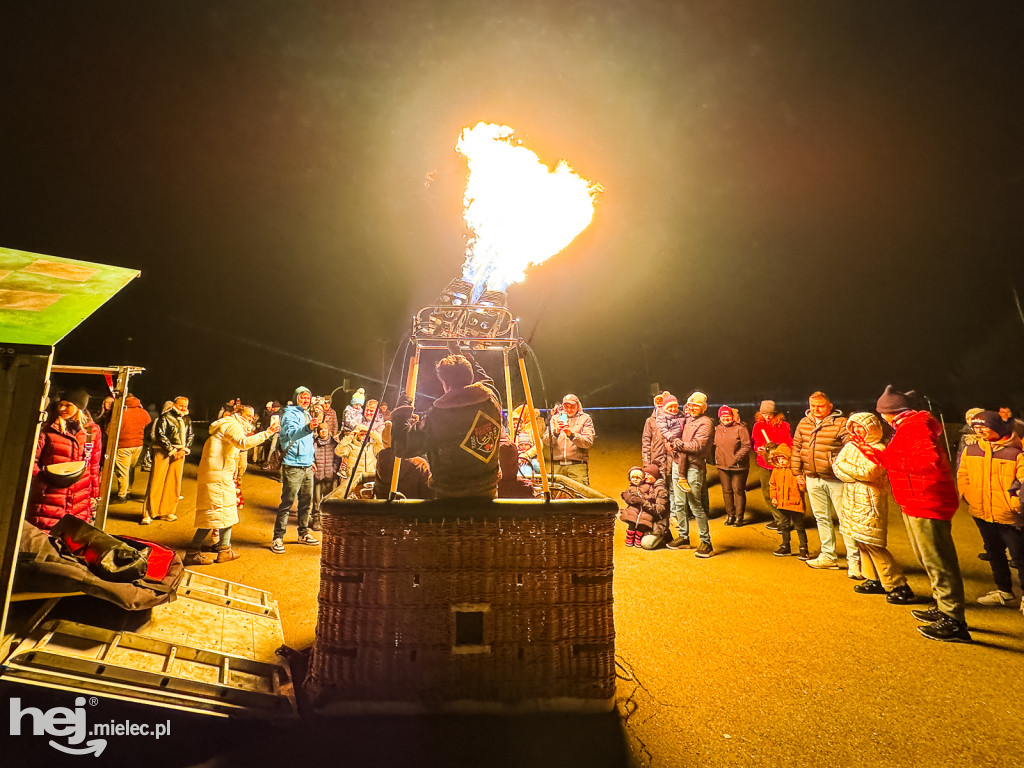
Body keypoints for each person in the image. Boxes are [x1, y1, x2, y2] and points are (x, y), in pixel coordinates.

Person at [859, 385, 969, 643]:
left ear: (889, 412)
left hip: (927, 501)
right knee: (927, 558)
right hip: (915, 500)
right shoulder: (906, 427)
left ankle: (954, 621)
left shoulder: (914, 427)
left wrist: (886, 459)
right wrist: (881, 456)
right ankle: (942, 607)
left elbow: (927, 461)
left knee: (938, 560)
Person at [390, 354, 503, 499]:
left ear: (445, 383)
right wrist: (462, 354)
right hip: (488, 493)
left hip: (450, 497)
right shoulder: (491, 400)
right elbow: (485, 382)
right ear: (470, 376)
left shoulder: (438, 416)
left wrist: (402, 413)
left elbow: (402, 447)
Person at [833, 412, 917, 601]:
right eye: (854, 427)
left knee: (874, 543)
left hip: (870, 500)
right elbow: (837, 466)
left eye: (860, 427)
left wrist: (849, 472)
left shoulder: (878, 448)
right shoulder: (851, 446)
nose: (856, 430)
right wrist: (851, 474)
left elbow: (870, 473)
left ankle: (897, 584)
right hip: (852, 498)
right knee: (860, 541)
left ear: (871, 428)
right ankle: (874, 577)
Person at [185, 405, 278, 565]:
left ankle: (224, 550)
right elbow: (243, 443)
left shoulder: (228, 425)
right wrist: (268, 432)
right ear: (239, 414)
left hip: (219, 475)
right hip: (218, 477)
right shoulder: (231, 425)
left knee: (225, 513)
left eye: (252, 416)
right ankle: (194, 552)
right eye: (248, 415)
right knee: (214, 515)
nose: (251, 419)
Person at [957, 410, 1024, 607]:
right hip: (982, 512)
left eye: (983, 427)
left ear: (997, 427)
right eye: (976, 427)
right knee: (994, 552)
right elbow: (963, 474)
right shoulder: (972, 450)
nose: (979, 431)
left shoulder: (1015, 453)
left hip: (1010, 516)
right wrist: (968, 494)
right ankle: (1004, 591)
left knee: (1020, 556)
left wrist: (1015, 504)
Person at [790, 391, 861, 576]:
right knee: (822, 518)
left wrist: (835, 462)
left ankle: (854, 562)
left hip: (835, 479)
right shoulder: (804, 423)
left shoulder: (840, 423)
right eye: (812, 406)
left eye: (820, 406)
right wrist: (797, 472)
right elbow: (797, 447)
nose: (816, 410)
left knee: (845, 520)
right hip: (812, 478)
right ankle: (828, 556)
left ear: (829, 406)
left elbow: (851, 448)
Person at [27, 388, 102, 531]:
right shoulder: (48, 428)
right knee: (45, 539)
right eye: (61, 404)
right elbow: (31, 462)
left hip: (79, 499)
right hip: (49, 498)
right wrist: (43, 482)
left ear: (79, 408)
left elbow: (94, 465)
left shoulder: (92, 431)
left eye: (68, 405)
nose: (62, 408)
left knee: (71, 540)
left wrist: (93, 495)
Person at [663, 391, 715, 558]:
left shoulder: (706, 423)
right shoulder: (686, 419)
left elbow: (696, 447)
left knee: (695, 505)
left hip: (693, 468)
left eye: (696, 406)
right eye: (690, 405)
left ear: (703, 408)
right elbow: (666, 416)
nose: (692, 408)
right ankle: (683, 537)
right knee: (679, 503)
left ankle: (706, 542)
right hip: (679, 465)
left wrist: (676, 444)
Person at [271, 386, 321, 553]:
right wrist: (308, 427)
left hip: (307, 465)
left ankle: (303, 533)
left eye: (308, 397)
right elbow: (291, 434)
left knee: (306, 502)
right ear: (297, 398)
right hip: (292, 463)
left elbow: (307, 441)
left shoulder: (306, 414)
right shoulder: (290, 413)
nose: (305, 400)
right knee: (287, 502)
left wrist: (311, 459)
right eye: (302, 397)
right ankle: (278, 537)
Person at [142, 396, 193, 525]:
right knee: (156, 481)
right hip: (163, 451)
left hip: (180, 452)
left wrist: (184, 449)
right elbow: (160, 434)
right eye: (181, 405)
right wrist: (172, 450)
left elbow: (190, 435)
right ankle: (148, 512)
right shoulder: (165, 417)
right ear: (175, 404)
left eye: (185, 406)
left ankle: (167, 511)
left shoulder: (186, 420)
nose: (183, 408)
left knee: (173, 482)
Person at [751, 400, 792, 531]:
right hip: (764, 463)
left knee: (781, 493)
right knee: (767, 493)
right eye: (764, 413)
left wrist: (779, 450)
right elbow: (756, 443)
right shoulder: (758, 426)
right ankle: (778, 518)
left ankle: (785, 522)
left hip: (779, 464)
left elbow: (789, 443)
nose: (767, 416)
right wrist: (759, 449)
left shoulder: (783, 425)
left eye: (770, 414)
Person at [768, 445, 810, 559]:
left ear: (790, 459)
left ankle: (803, 548)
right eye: (779, 459)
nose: (781, 461)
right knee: (784, 525)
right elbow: (773, 485)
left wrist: (802, 484)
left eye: (784, 458)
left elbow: (803, 489)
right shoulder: (776, 471)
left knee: (799, 526)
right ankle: (786, 546)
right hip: (781, 503)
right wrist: (774, 497)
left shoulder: (795, 471)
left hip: (795, 503)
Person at [545, 394, 596, 486]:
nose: (569, 409)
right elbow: (546, 441)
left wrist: (570, 434)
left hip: (577, 466)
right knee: (556, 496)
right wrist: (556, 432)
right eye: (566, 406)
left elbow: (588, 442)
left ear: (578, 406)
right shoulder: (555, 419)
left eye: (572, 406)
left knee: (579, 496)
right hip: (557, 466)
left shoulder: (585, 419)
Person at [373, 420, 433, 500]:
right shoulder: (419, 463)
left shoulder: (381, 460)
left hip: (386, 510)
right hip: (412, 509)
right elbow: (428, 493)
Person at [715, 405, 752, 526]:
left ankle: (739, 517)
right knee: (726, 491)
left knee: (738, 490)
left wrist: (735, 459)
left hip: (738, 466)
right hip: (722, 465)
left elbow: (746, 446)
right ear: (720, 418)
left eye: (728, 416)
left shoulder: (740, 429)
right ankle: (730, 515)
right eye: (723, 416)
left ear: (732, 417)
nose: (726, 418)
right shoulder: (718, 429)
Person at [111, 393, 151, 503]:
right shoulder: (143, 411)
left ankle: (121, 496)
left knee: (123, 471)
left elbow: (112, 429)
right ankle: (128, 491)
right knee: (131, 468)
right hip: (138, 445)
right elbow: (148, 424)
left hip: (123, 445)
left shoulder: (122, 412)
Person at [620, 464, 669, 549]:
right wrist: (626, 496)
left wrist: (642, 501)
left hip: (657, 522)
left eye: (648, 475)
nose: (645, 477)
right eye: (644, 474)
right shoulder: (646, 485)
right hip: (646, 517)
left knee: (646, 544)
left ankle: (664, 535)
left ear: (655, 476)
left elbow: (659, 511)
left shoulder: (661, 490)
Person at [336, 423, 383, 491]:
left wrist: (372, 433)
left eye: (366, 434)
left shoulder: (371, 446)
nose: (364, 436)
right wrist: (349, 437)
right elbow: (338, 451)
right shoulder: (350, 447)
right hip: (355, 481)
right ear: (356, 434)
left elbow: (381, 444)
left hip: (370, 481)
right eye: (361, 434)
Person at [311, 423, 340, 530]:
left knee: (328, 500)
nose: (323, 432)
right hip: (317, 476)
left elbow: (337, 459)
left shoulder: (334, 444)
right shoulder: (314, 444)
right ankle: (316, 519)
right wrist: (314, 469)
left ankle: (327, 520)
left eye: (325, 430)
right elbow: (311, 457)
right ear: (318, 432)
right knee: (316, 499)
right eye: (321, 430)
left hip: (329, 476)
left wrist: (333, 470)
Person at [641, 391, 672, 488]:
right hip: (656, 462)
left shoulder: (673, 419)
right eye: (657, 401)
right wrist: (646, 465)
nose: (660, 404)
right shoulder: (650, 421)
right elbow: (646, 443)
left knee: (672, 488)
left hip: (672, 461)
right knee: (658, 487)